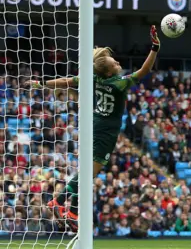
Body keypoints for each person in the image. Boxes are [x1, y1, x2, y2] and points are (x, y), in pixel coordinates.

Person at [32, 26, 161, 231]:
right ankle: (62, 203)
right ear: (110, 71)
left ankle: (69, 209)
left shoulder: (94, 79)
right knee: (90, 173)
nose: (118, 62)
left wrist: (41, 84)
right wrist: (154, 48)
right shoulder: (119, 84)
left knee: (88, 172)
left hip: (95, 123)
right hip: (106, 130)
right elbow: (144, 70)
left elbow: (66, 82)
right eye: (115, 62)